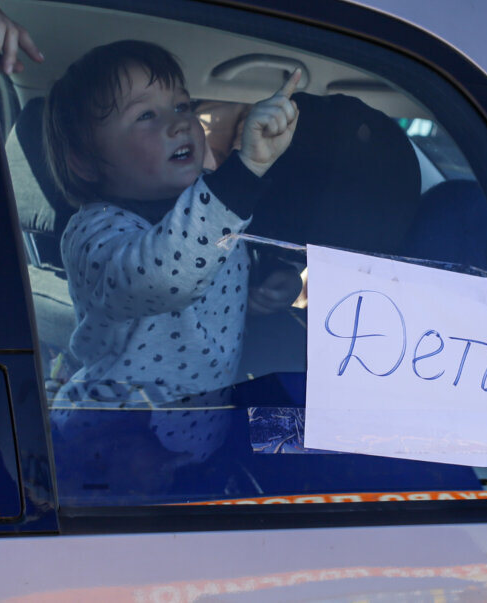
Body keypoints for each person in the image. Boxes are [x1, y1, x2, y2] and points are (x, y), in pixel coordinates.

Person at [43, 40, 301, 407]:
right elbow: (167, 276)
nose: (180, 122)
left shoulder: (208, 207)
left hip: (203, 425)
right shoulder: (93, 232)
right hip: (115, 427)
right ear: (84, 161)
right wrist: (243, 171)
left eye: (182, 106)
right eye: (146, 115)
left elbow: (221, 267)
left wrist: (275, 284)